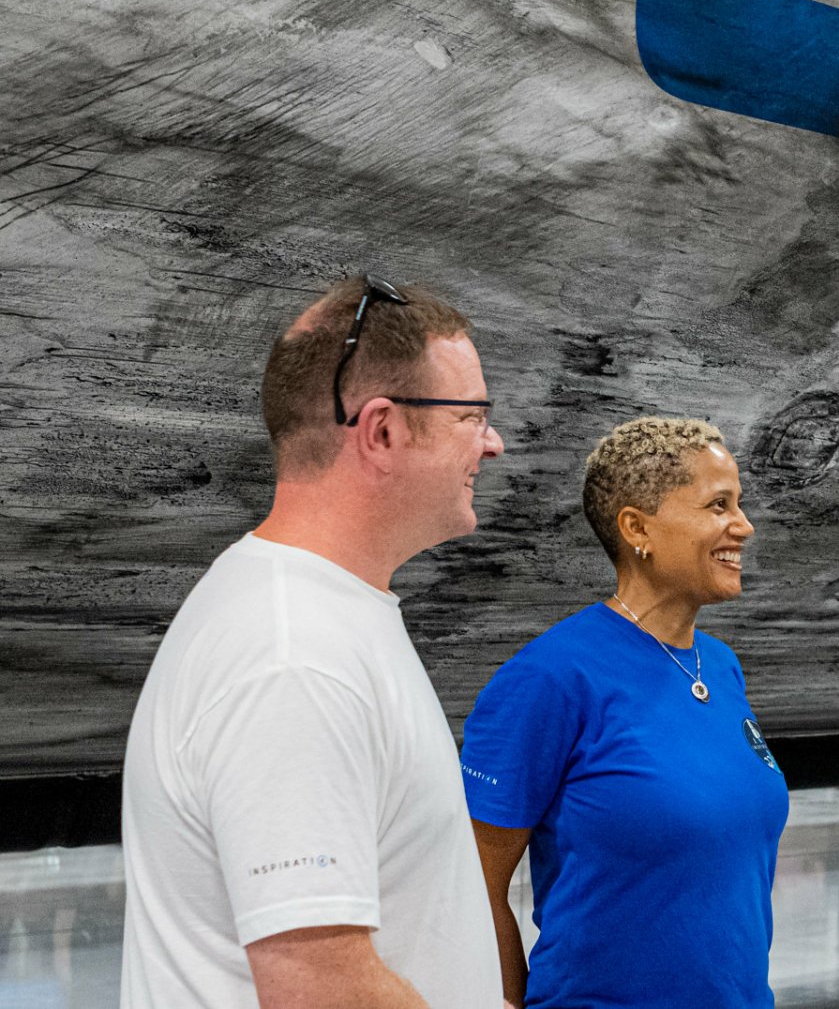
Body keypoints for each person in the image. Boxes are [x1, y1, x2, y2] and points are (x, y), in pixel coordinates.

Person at [120, 274, 507, 1008]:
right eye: (472, 416)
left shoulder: (318, 617)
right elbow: (319, 989)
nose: (493, 444)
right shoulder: (292, 656)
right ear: (384, 430)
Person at [460, 417, 789, 1008]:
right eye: (719, 505)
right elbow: (471, 889)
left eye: (738, 505)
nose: (743, 526)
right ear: (638, 528)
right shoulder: (548, 679)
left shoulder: (719, 666)